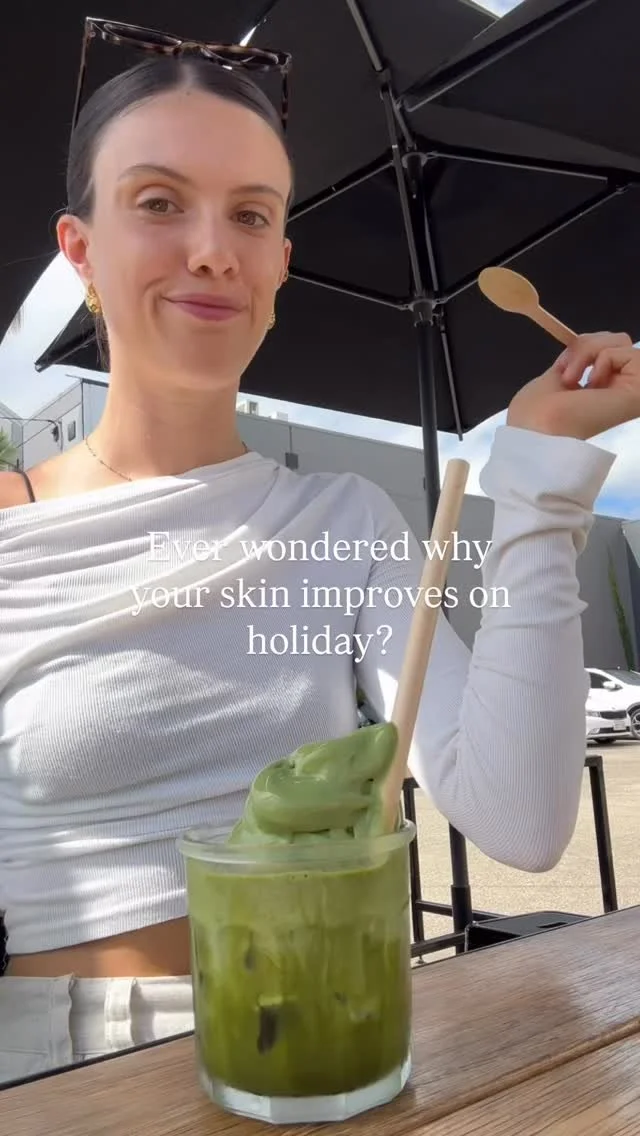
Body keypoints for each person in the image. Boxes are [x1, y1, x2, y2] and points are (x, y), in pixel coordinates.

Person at [1, 51, 639, 1084]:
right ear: (80, 248)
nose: (214, 251)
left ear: (280, 262)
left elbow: (521, 820)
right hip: (66, 1078)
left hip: (324, 1040)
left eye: (251, 215)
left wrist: (541, 478)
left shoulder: (345, 521)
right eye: (159, 202)